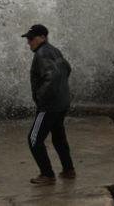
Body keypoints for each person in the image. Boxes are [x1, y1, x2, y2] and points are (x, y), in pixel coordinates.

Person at [21, 24, 75, 185]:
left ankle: (47, 175)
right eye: (28, 39)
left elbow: (52, 76)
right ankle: (68, 170)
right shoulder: (54, 50)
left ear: (42, 37)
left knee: (33, 139)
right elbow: (67, 68)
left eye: (31, 38)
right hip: (61, 103)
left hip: (49, 106)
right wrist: (61, 90)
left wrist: (41, 97)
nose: (29, 42)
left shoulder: (42, 54)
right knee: (58, 137)